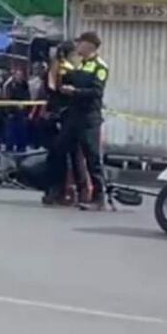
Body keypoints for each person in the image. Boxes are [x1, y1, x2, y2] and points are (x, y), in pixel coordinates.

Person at [42, 42, 88, 206]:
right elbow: (59, 90)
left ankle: (58, 190)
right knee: (66, 154)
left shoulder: (57, 67)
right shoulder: (66, 70)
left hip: (57, 114)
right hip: (64, 115)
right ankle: (64, 190)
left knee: (62, 154)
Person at [72, 31, 110, 210]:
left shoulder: (100, 67)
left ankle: (99, 197)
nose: (77, 46)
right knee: (73, 153)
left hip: (90, 118)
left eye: (80, 43)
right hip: (76, 116)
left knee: (92, 157)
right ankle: (79, 192)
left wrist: (75, 92)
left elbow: (96, 92)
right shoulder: (81, 65)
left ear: (89, 45)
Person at [3, 64, 31, 152]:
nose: (20, 76)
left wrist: (26, 109)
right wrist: (10, 111)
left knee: (22, 132)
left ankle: (21, 148)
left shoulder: (25, 85)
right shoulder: (9, 85)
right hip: (12, 112)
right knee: (10, 132)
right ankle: (9, 148)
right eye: (18, 75)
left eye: (21, 75)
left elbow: (28, 97)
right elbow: (7, 98)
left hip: (22, 112)